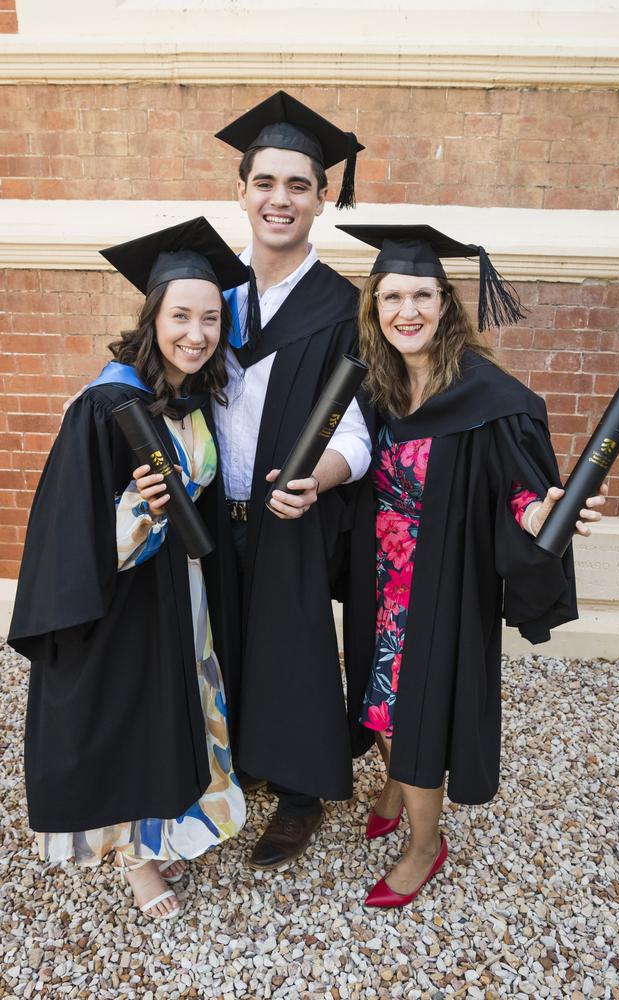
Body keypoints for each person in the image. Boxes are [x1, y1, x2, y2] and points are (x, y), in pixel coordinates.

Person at [68, 91, 374, 871]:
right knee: (215, 644)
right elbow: (155, 378)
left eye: (298, 185)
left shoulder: (341, 307)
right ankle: (229, 769)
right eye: (265, 182)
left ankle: (300, 793)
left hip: (291, 512)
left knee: (293, 646)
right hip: (206, 512)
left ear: (323, 197)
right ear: (241, 190)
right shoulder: (215, 298)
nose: (280, 199)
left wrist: (323, 477)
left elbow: (360, 429)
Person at [336, 223, 608, 908]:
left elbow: (518, 489)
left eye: (421, 295)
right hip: (382, 579)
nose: (407, 311)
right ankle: (395, 782)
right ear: (374, 309)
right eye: (392, 297)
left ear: (445, 303)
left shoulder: (488, 396)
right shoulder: (378, 386)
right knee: (380, 698)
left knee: (420, 709)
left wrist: (540, 514)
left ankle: (426, 845)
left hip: (444, 583)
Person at [8, 217, 248, 921]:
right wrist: (136, 510)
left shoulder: (188, 400)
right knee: (132, 724)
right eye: (181, 317)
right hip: (123, 601)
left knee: (177, 715)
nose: (196, 334)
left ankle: (166, 827)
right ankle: (137, 863)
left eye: (210, 319)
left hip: (182, 591)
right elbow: (69, 530)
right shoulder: (106, 407)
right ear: (153, 318)